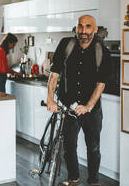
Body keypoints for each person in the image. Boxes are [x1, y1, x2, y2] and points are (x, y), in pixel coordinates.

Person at [47, 15, 111, 186]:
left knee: (93, 148)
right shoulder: (66, 45)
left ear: (95, 29)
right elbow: (54, 74)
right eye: (80, 26)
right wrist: (50, 99)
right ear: (76, 28)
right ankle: (74, 178)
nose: (83, 31)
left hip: (91, 109)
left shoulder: (102, 52)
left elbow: (101, 84)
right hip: (68, 106)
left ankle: (93, 182)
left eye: (88, 26)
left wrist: (88, 106)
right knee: (69, 146)